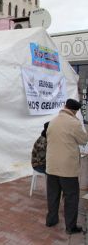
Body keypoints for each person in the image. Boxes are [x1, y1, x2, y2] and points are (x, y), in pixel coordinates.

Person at [46, 99, 88, 234]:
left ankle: (51, 220)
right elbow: (83, 140)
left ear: (65, 106)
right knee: (71, 197)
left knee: (53, 195)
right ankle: (70, 227)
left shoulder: (53, 121)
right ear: (75, 111)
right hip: (67, 168)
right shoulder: (74, 123)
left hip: (51, 166)